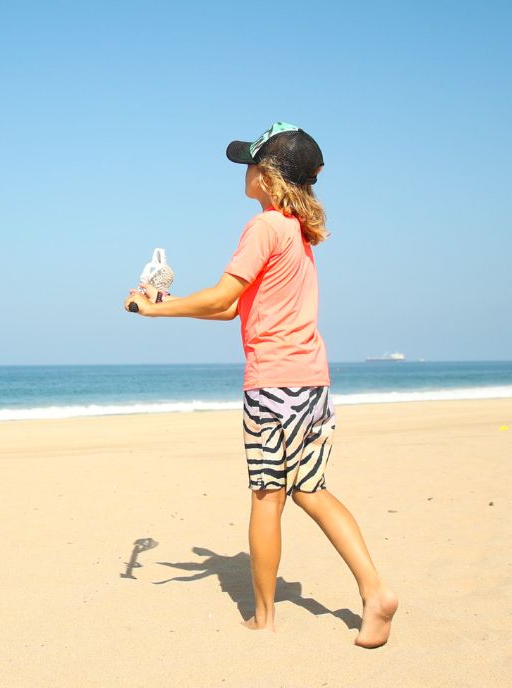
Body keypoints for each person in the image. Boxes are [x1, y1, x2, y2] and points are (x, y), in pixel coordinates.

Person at [124, 123, 398, 647]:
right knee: (311, 491)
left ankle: (265, 619)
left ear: (268, 175)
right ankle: (374, 589)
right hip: (312, 382)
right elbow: (231, 309)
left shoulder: (264, 228)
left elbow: (219, 295)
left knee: (267, 496)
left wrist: (155, 309)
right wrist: (167, 307)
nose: (245, 172)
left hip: (272, 386)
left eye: (251, 163)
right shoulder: (297, 231)